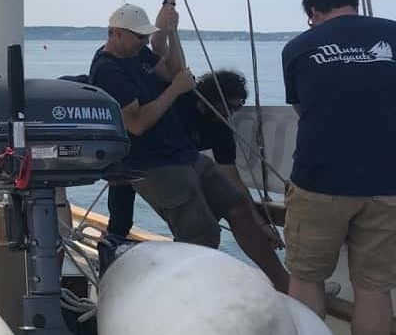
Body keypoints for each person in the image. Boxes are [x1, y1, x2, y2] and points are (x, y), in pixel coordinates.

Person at [89, 0, 288, 293]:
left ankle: (282, 283)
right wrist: (174, 91)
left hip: (182, 153)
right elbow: (137, 124)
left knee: (238, 209)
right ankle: (193, 296)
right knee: (203, 233)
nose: (142, 42)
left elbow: (172, 69)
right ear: (115, 33)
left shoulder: (137, 55)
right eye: (136, 36)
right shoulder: (108, 70)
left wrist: (173, 29)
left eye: (143, 36)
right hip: (152, 163)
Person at [282, 0, 396, 332]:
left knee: (306, 279)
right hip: (388, 182)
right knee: (374, 287)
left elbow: (303, 110)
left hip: (319, 181)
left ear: (313, 12)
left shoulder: (298, 47)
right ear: (354, 3)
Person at [106, 70, 283, 247]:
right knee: (123, 184)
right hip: (141, 155)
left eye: (236, 108)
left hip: (180, 166)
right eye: (228, 107)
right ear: (212, 98)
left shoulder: (221, 129)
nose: (230, 114)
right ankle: (115, 236)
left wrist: (260, 223)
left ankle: (184, 246)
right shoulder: (179, 103)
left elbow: (231, 176)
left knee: (202, 220)